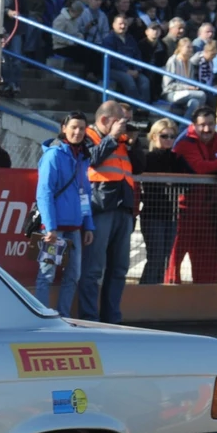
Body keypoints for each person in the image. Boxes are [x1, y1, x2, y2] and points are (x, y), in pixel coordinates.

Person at [79, 101, 142, 323]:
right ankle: (88, 318)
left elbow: (140, 167)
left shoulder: (122, 142)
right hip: (100, 208)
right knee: (94, 269)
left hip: (123, 208)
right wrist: (113, 138)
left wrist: (134, 144)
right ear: (105, 120)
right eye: (119, 121)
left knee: (119, 269)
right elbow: (92, 158)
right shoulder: (86, 135)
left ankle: (112, 319)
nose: (124, 126)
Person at [34, 112, 95, 317]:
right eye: (73, 127)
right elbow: (44, 193)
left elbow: (85, 193)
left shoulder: (83, 156)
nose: (77, 132)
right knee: (46, 274)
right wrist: (49, 226)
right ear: (64, 128)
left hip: (75, 228)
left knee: (73, 276)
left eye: (81, 128)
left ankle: (64, 317)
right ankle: (42, 318)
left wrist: (88, 224)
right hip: (55, 229)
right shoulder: (53, 155)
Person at [168, 106, 217, 284]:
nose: (207, 129)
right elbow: (199, 166)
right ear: (194, 125)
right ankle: (168, 300)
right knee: (173, 258)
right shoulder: (185, 142)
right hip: (183, 210)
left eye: (211, 124)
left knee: (209, 260)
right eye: (202, 125)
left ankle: (204, 299)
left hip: (209, 211)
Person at [140, 117, 182, 285]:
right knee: (155, 257)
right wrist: (168, 182)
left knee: (164, 259)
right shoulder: (147, 158)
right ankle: (144, 293)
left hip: (171, 215)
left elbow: (188, 182)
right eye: (165, 136)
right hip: (152, 214)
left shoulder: (176, 158)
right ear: (154, 136)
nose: (169, 140)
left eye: (172, 136)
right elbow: (150, 185)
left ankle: (154, 293)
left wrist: (172, 183)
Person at [102, 14, 151, 103]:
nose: (123, 26)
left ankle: (143, 108)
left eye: (125, 24)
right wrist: (126, 70)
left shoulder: (131, 39)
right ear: (113, 25)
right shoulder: (108, 39)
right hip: (114, 70)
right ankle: (133, 108)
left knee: (145, 81)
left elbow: (137, 55)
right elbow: (112, 60)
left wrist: (137, 69)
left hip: (132, 69)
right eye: (120, 24)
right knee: (129, 81)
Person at [163, 39, 207, 117]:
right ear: (180, 48)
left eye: (191, 47)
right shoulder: (173, 61)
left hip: (187, 93)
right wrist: (188, 87)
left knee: (194, 103)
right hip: (172, 93)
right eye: (188, 47)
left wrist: (193, 87)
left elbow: (191, 81)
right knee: (202, 95)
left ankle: (183, 127)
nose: (190, 49)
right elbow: (168, 85)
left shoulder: (190, 63)